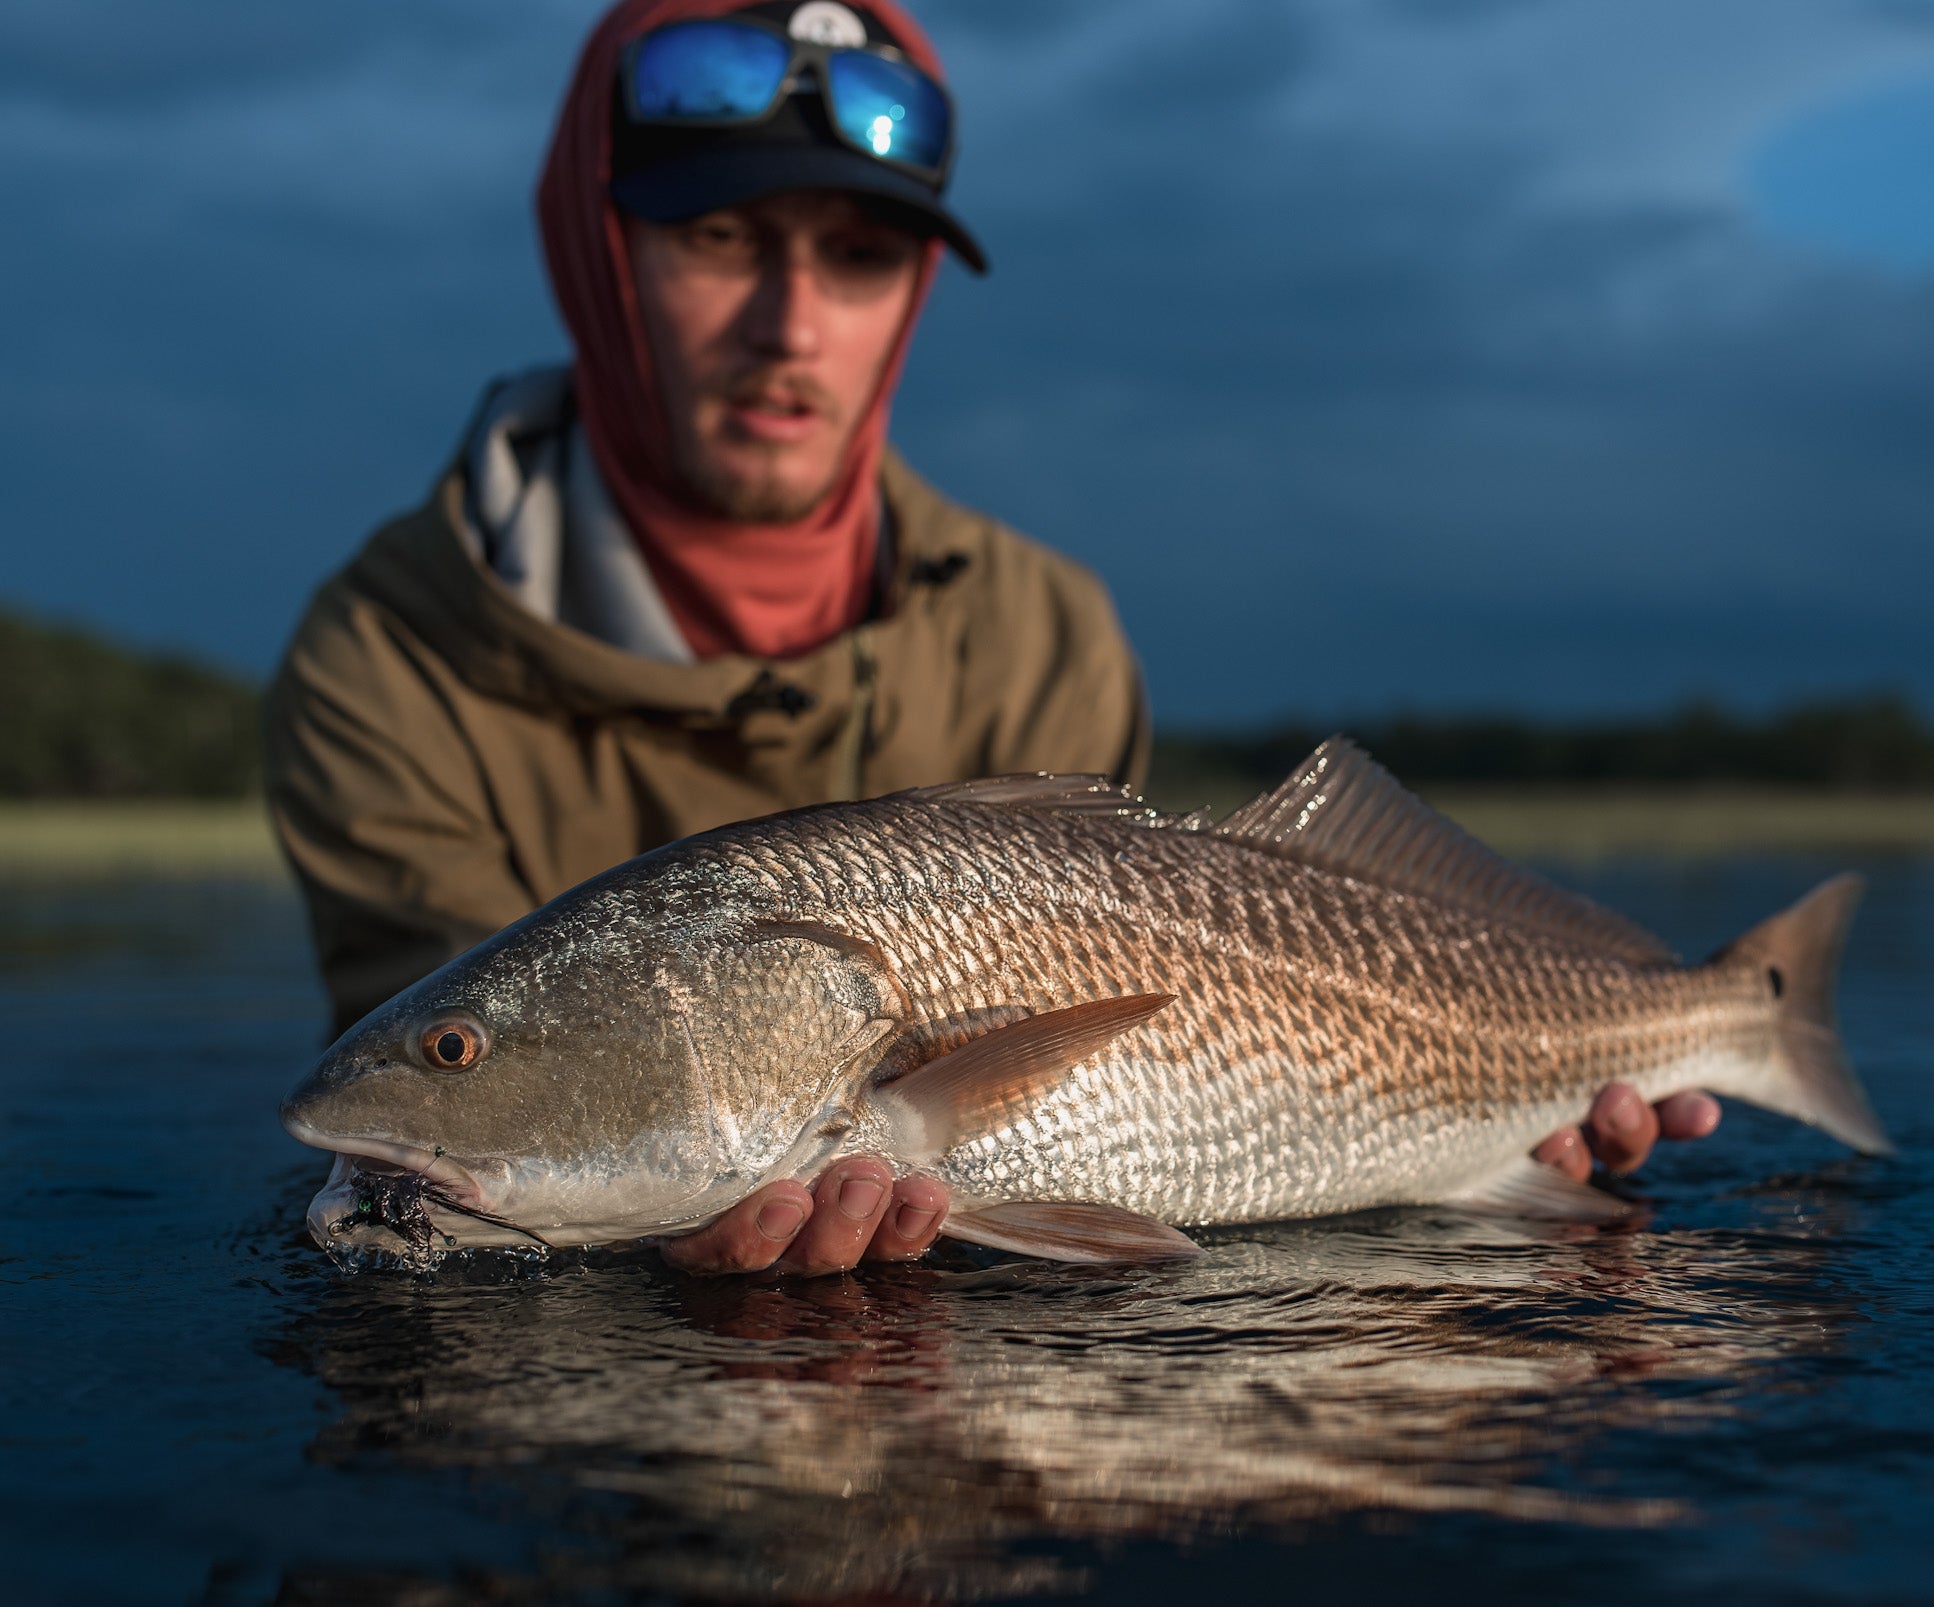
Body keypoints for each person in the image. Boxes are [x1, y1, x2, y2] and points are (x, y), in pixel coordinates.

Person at [264, 0, 1717, 1278]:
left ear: (907, 303)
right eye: (717, 235)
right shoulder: (379, 657)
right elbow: (411, 1142)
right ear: (597, 250)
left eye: (858, 254)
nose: (789, 322)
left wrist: (1522, 1098)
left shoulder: (1042, 624)